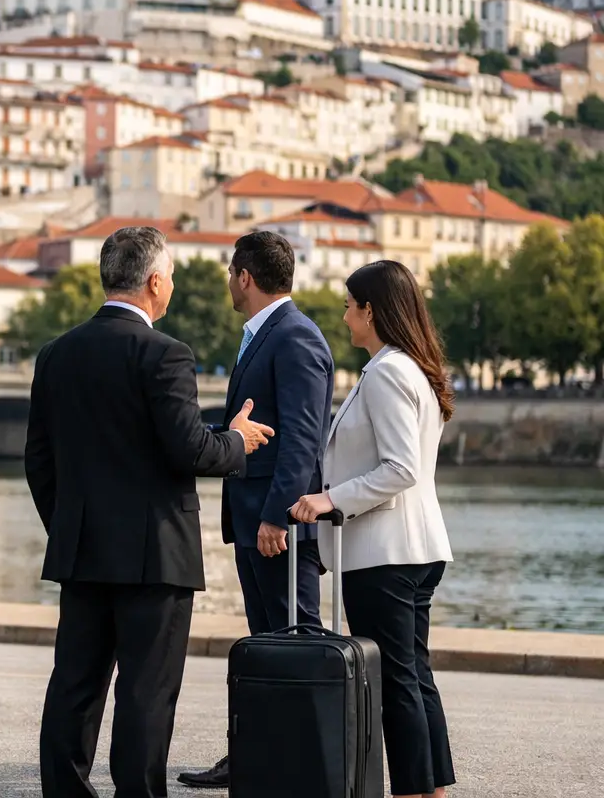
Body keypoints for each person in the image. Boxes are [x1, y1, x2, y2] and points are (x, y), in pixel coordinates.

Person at [26, 226, 275, 798]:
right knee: (146, 691)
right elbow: (189, 448)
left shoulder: (56, 353)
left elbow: (38, 459)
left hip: (83, 550)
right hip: (155, 556)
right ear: (155, 282)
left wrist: (69, 525)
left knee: (75, 685)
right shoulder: (165, 354)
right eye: (174, 278)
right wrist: (235, 439)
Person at [290, 259, 456, 798]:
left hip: (384, 552)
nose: (343, 317)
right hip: (417, 544)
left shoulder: (387, 372)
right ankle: (430, 790)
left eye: (348, 306)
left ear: (371, 310)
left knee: (395, 685)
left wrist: (328, 499)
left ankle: (411, 791)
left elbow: (400, 468)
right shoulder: (414, 368)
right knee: (415, 679)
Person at [178, 230, 335, 791]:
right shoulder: (266, 334)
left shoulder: (294, 337)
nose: (228, 281)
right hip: (255, 517)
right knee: (269, 645)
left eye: (229, 272)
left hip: (276, 523)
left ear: (244, 276)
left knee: (296, 640)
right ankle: (257, 754)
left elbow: (301, 439)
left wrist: (278, 516)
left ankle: (310, 760)